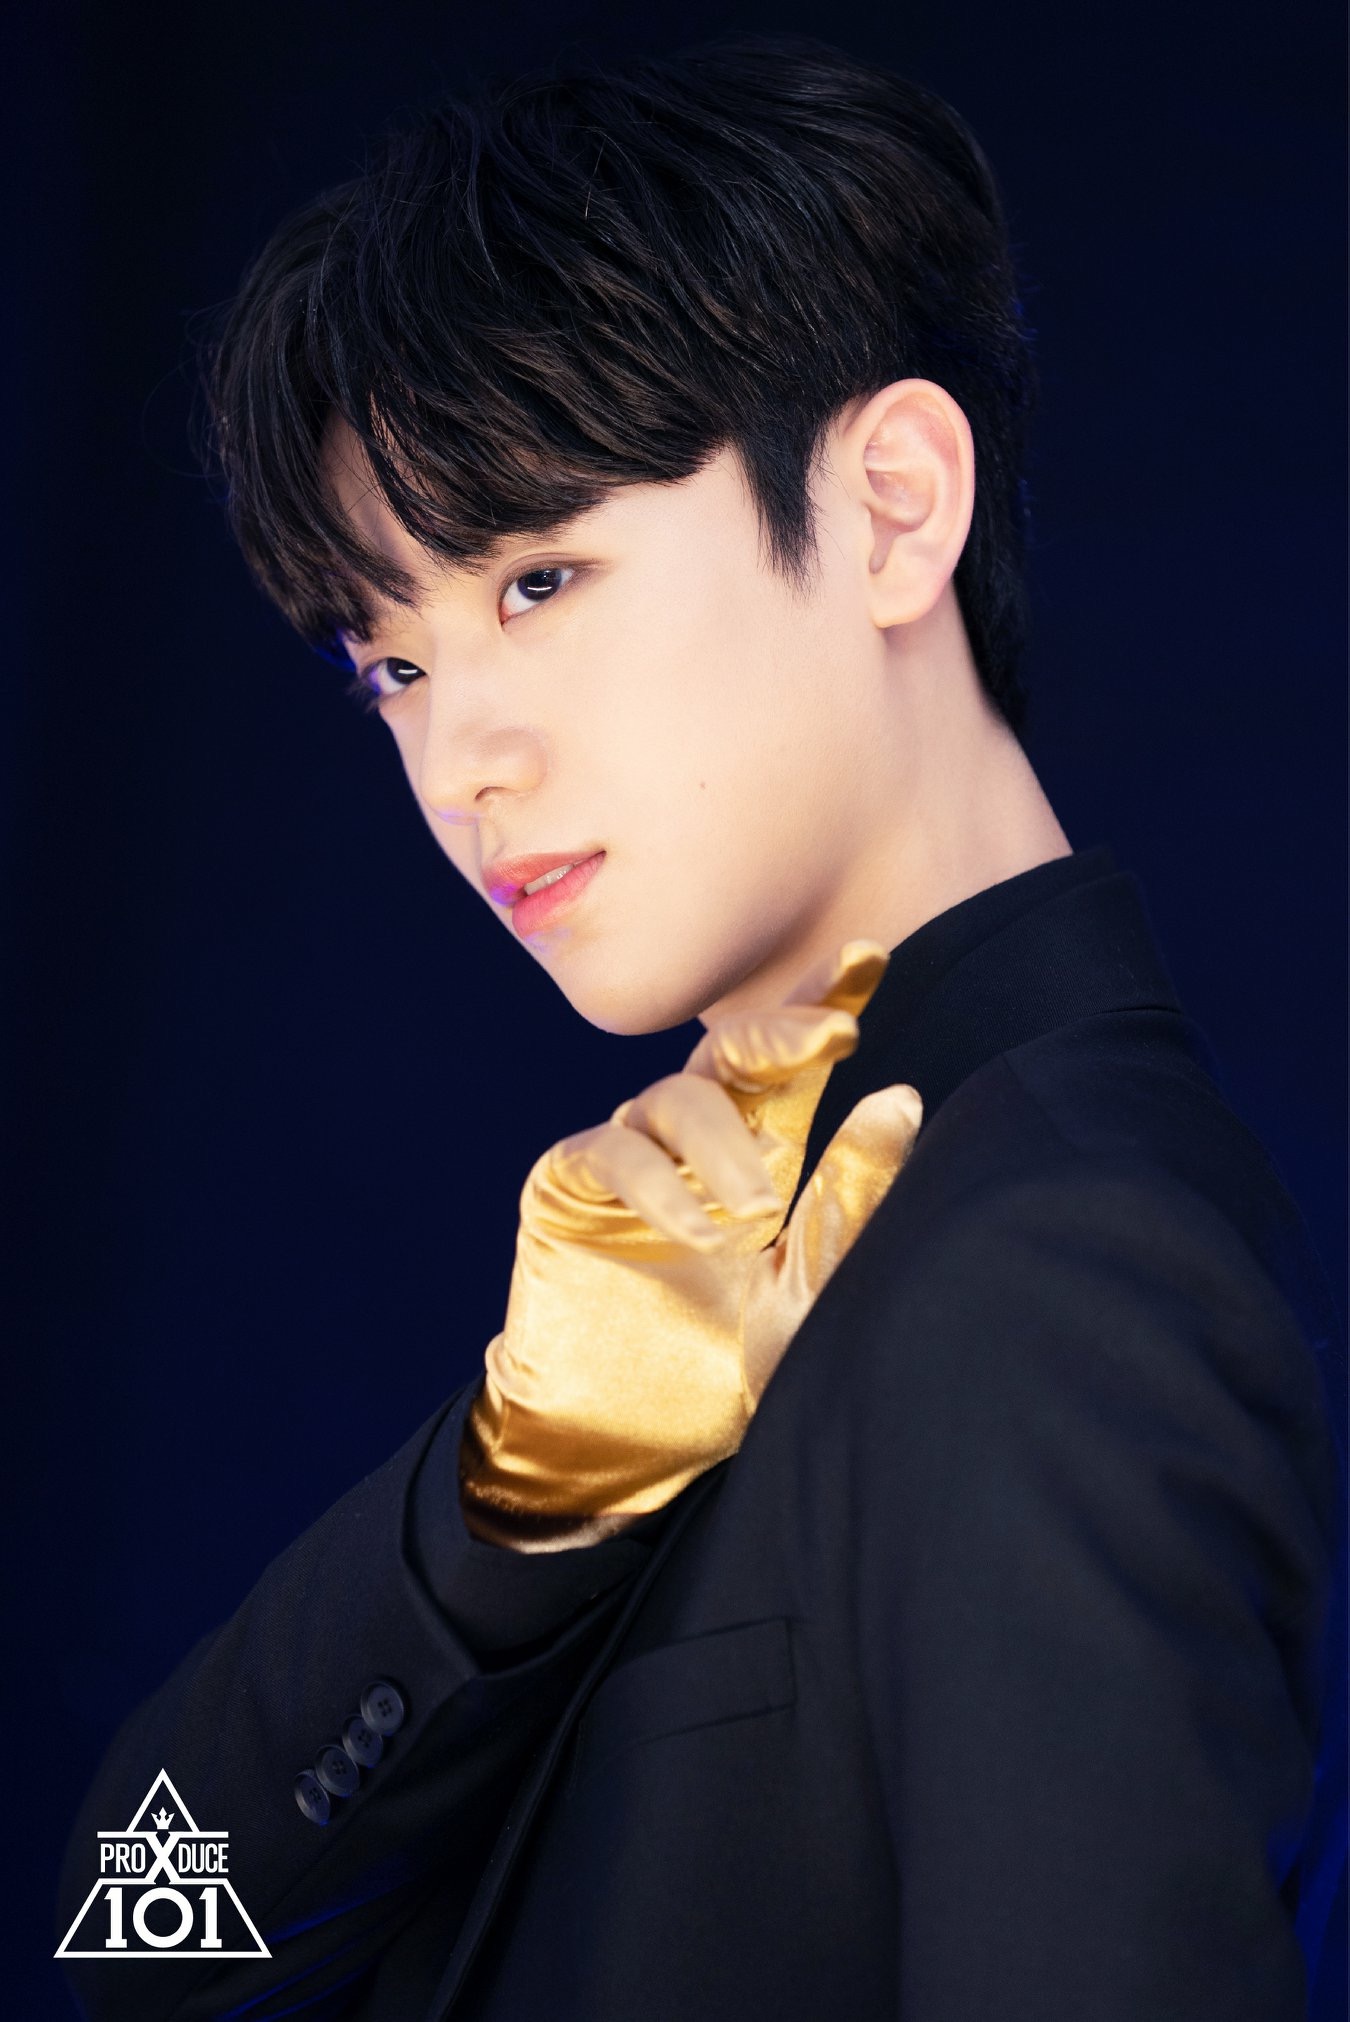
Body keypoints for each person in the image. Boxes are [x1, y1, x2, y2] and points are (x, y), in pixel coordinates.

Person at [55, 30, 1345, 2020]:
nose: (458, 762)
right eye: (387, 664)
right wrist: (510, 1502)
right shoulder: (667, 1298)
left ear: (891, 508)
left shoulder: (1061, 1276)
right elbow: (130, 1946)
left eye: (537, 578)